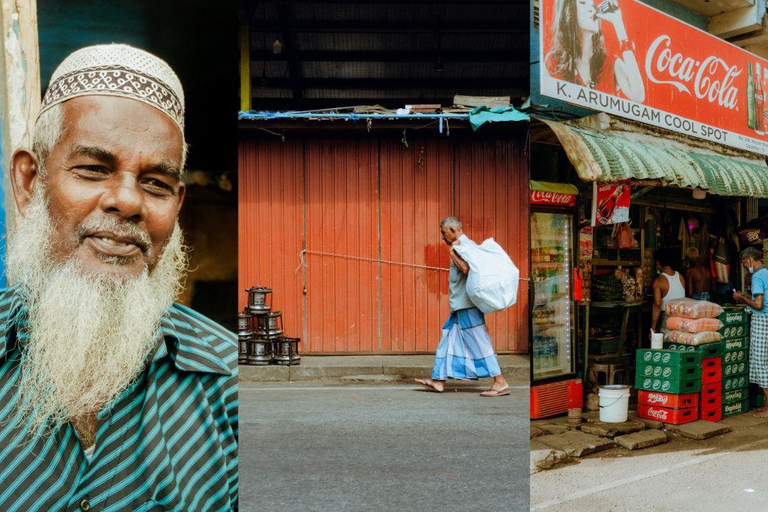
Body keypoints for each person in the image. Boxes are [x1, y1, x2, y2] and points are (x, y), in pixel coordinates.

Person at [1, 45, 237, 511]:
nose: (128, 202)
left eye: (156, 183)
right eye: (93, 169)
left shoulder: (228, 383)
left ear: (177, 206)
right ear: (30, 183)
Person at [414, 218, 509, 397]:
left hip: (467, 306)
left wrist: (452, 253)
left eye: (444, 232)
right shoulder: (465, 245)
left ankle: (500, 382)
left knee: (479, 342)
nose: (442, 237)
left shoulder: (462, 246)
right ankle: (439, 380)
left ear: (453, 229)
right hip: (460, 305)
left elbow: (466, 269)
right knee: (448, 339)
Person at [546, 0, 645, 103]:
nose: (591, 9)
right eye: (583, 3)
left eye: (593, 6)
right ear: (567, 11)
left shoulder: (611, 63)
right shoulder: (553, 61)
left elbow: (638, 96)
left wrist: (618, 23)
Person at [733, 247, 768, 418]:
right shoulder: (766, 273)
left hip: (762, 321)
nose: (745, 267)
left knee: (761, 363)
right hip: (766, 320)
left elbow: (759, 305)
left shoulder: (757, 276)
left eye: (745, 264)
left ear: (750, 260)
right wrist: (748, 296)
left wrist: (742, 299)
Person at [651, 249, 686, 332]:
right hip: (681, 318)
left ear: (658, 263)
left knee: (664, 343)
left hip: (666, 320)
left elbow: (657, 305)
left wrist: (653, 328)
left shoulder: (658, 281)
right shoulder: (680, 277)